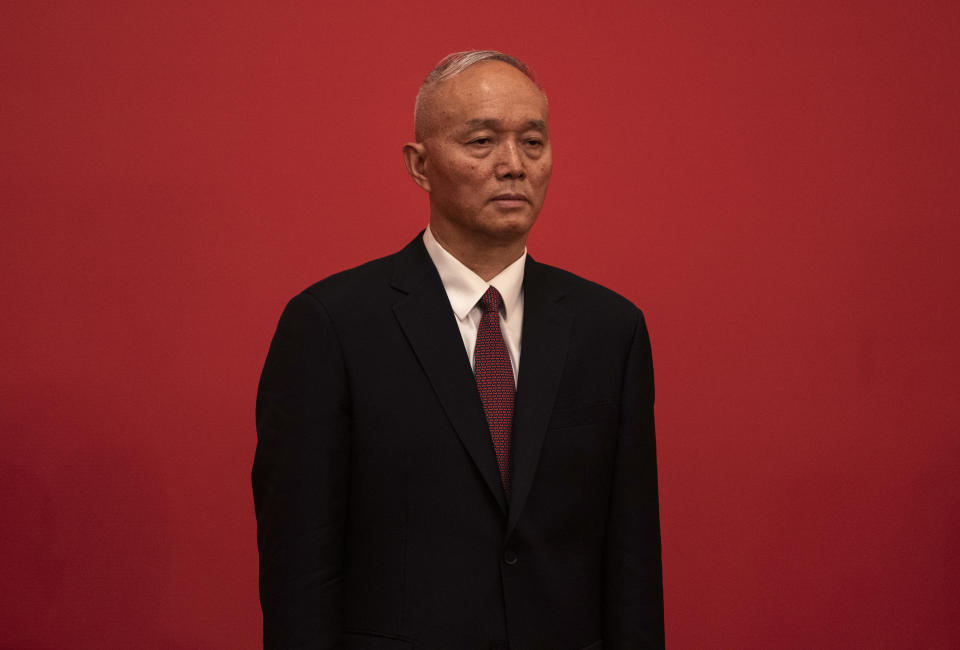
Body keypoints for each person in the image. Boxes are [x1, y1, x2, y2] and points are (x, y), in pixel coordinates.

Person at [253, 50, 664, 650]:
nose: (513, 166)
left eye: (532, 142)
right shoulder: (330, 325)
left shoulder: (611, 329)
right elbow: (300, 571)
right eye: (481, 141)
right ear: (420, 165)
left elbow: (632, 564)